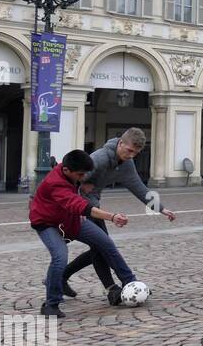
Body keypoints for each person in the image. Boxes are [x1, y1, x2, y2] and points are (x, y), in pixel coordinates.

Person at [62, 127, 177, 303]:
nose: (131, 155)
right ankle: (117, 287)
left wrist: (160, 208)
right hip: (79, 209)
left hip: (93, 206)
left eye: (135, 153)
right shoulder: (99, 158)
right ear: (121, 143)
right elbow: (70, 180)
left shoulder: (126, 164)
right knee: (103, 246)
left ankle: (62, 277)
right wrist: (78, 199)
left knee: (100, 247)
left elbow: (138, 187)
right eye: (129, 150)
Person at [30, 150, 141, 319]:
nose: (83, 177)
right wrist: (112, 217)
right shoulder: (55, 183)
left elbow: (78, 197)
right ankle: (51, 305)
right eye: (80, 175)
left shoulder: (71, 173)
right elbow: (79, 205)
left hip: (70, 220)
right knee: (60, 256)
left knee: (105, 242)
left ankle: (130, 282)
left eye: (85, 174)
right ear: (66, 170)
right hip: (48, 224)